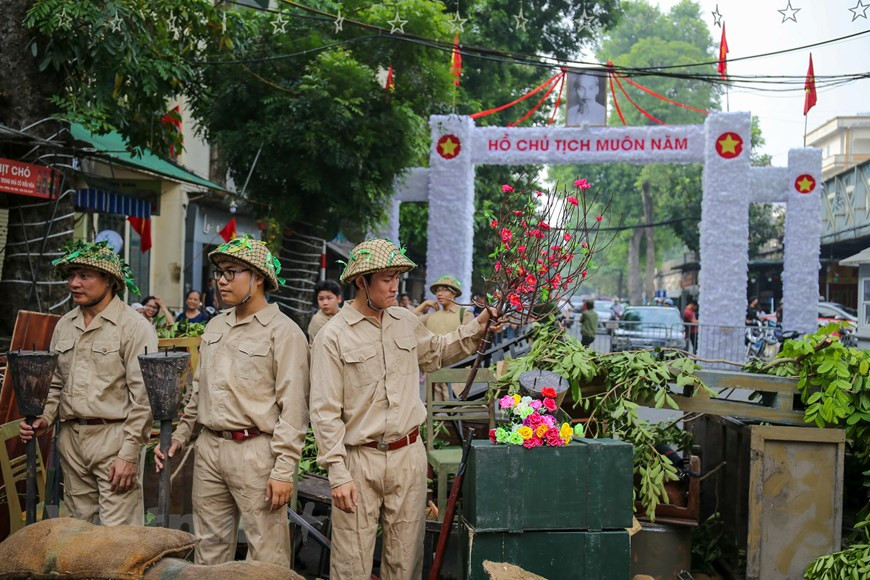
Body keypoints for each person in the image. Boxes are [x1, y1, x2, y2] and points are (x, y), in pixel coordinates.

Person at [310, 239, 498, 580]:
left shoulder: (404, 321)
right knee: (351, 562)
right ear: (361, 281)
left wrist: (478, 325)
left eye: (397, 276)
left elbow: (438, 352)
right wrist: (337, 472)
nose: (395, 285)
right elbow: (324, 412)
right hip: (359, 460)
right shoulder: (333, 335)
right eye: (386, 277)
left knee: (406, 559)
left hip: (409, 454)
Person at [154, 235, 309, 567]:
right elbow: (200, 392)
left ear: (258, 277)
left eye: (231, 272)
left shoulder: (284, 333)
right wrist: (180, 437)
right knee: (209, 547)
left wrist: (283, 470)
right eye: (219, 273)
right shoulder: (214, 327)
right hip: (209, 449)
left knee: (266, 551)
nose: (221, 280)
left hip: (256, 453)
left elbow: (294, 409)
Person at [19, 241, 156, 525]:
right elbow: (55, 384)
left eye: (84, 275)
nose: (74, 283)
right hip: (71, 440)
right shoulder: (65, 324)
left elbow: (143, 399)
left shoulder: (133, 327)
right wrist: (44, 419)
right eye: (71, 276)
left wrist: (129, 455)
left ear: (108, 280)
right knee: (79, 535)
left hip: (114, 440)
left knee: (117, 541)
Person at [414, 274, 475, 400]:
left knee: (456, 411)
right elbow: (408, 322)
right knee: (435, 412)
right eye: (437, 290)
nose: (439, 294)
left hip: (456, 373)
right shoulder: (432, 316)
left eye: (444, 290)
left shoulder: (464, 314)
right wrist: (423, 305)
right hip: (433, 372)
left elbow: (470, 341)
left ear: (454, 293)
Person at [308, 279, 343, 344]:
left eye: (329, 298)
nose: (325, 303)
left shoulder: (344, 314)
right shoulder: (318, 321)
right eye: (321, 299)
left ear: (339, 299)